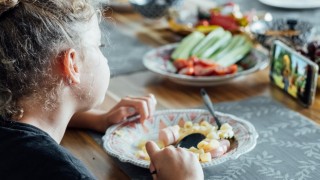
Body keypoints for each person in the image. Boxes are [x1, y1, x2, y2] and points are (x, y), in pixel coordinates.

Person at [0, 0, 204, 179]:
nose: (104, 58)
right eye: (99, 46)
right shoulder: (64, 172)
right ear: (72, 65)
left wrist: (97, 119)